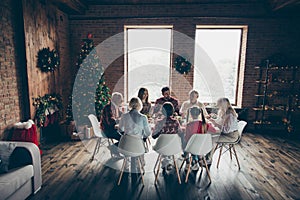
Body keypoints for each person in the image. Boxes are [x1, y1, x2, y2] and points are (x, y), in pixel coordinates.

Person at [119, 97, 151, 172]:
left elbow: (120, 129)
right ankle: (139, 165)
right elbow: (148, 133)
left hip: (126, 146)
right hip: (137, 146)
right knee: (140, 145)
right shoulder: (143, 117)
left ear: (130, 104)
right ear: (139, 105)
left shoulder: (124, 116)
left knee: (127, 142)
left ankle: (126, 165)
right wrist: (143, 135)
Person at [152, 102, 183, 171]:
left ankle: (166, 160)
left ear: (162, 111)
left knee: (164, 144)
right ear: (172, 111)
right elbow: (180, 133)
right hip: (174, 147)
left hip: (161, 147)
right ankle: (168, 160)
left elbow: (153, 136)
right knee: (170, 144)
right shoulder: (176, 122)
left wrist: (160, 132)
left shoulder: (159, 122)